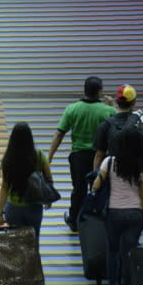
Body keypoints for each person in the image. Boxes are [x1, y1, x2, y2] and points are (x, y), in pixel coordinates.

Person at [93, 128, 143, 285]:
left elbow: (96, 186)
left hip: (113, 212)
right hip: (134, 214)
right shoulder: (142, 166)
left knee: (112, 250)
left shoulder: (109, 162)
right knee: (129, 254)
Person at [48, 76, 116, 232]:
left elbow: (59, 134)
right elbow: (121, 124)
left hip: (78, 157)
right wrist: (112, 105)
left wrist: (49, 157)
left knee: (78, 189)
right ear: (100, 91)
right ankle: (97, 220)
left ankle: (74, 221)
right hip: (100, 157)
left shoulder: (72, 108)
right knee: (98, 188)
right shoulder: (108, 111)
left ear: (84, 90)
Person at [0, 122, 54, 239]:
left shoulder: (9, 158)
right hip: (34, 207)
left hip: (13, 208)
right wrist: (48, 198)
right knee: (33, 242)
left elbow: (5, 188)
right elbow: (49, 178)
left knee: (16, 244)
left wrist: (0, 213)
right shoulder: (39, 155)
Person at [93, 84, 143, 184]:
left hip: (114, 178)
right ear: (134, 102)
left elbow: (99, 155)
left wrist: (96, 178)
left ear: (117, 102)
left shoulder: (106, 124)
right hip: (139, 177)